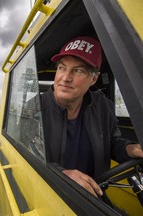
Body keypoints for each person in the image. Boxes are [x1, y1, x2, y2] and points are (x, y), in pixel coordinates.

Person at [40, 36, 143, 197]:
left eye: (78, 70)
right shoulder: (34, 109)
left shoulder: (103, 106)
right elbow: (26, 158)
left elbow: (112, 143)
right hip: (51, 196)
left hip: (94, 195)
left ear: (94, 79)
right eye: (62, 68)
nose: (66, 77)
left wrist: (128, 148)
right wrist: (62, 174)